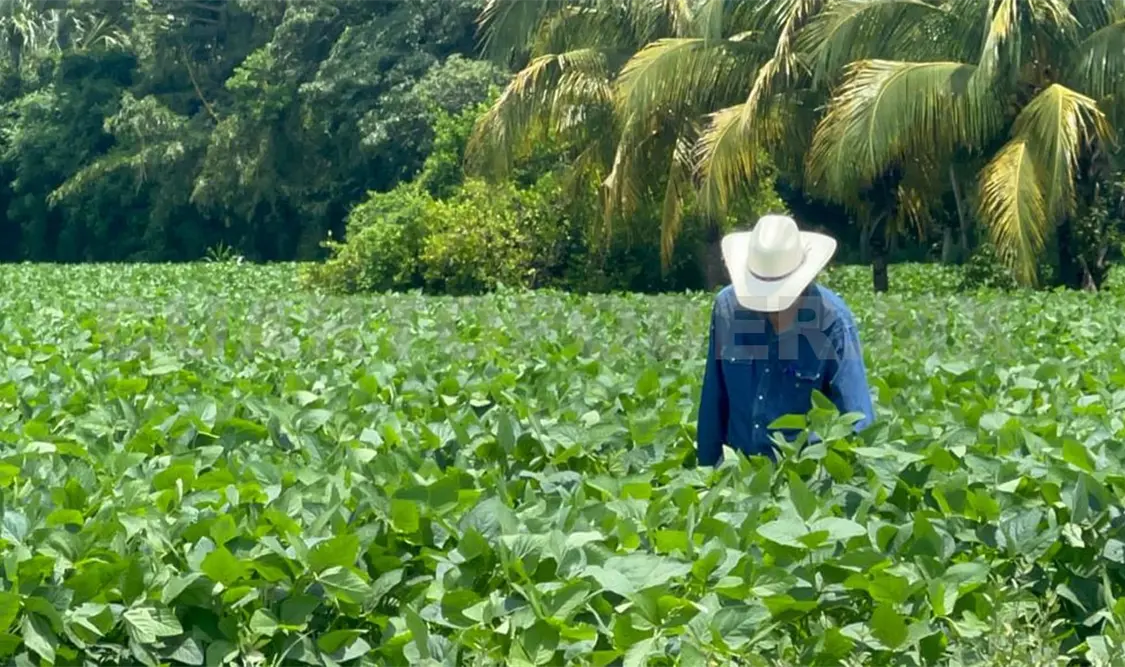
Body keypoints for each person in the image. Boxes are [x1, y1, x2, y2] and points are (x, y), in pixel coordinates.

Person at [696, 214, 875, 466]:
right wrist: (705, 476)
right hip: (736, 478)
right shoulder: (728, 309)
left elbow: (857, 419)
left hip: (803, 480)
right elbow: (713, 403)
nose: (770, 307)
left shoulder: (831, 321)